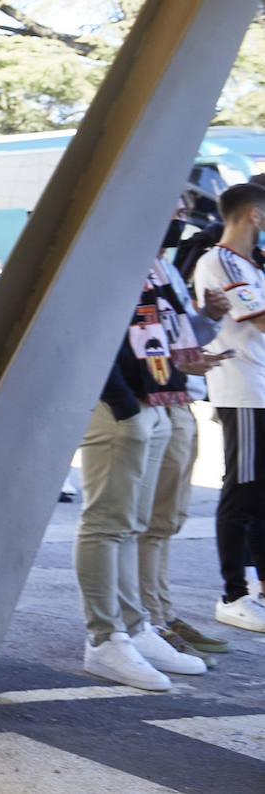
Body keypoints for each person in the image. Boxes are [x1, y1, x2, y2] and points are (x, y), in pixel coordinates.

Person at [75, 198, 217, 691]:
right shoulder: (109, 253)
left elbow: (165, 330)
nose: (179, 214)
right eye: (170, 203)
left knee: (129, 523)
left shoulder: (151, 259)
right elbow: (92, 329)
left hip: (152, 398)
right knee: (107, 522)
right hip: (124, 405)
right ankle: (105, 639)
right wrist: (124, 403)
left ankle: (133, 627)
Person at [138, 197, 233, 664]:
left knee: (165, 521)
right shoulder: (129, 265)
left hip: (178, 399)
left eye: (182, 211)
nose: (180, 219)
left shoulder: (166, 269)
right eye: (172, 209)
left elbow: (180, 339)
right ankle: (143, 621)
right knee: (138, 522)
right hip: (146, 404)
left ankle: (160, 612)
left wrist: (209, 320)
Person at [193, 181, 265, 634]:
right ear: (254, 214)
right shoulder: (218, 261)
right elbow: (258, 319)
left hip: (258, 388)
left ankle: (256, 590)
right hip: (242, 390)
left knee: (259, 494)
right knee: (241, 491)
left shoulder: (248, 265)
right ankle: (233, 593)